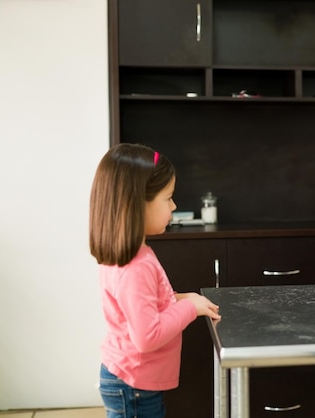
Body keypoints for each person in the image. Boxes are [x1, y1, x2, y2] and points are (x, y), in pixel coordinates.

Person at [89, 143, 221, 418]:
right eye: (168, 197)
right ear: (137, 203)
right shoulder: (134, 266)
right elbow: (147, 336)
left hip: (133, 379)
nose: (174, 205)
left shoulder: (135, 253)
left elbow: (151, 304)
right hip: (134, 385)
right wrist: (189, 308)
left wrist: (186, 299)